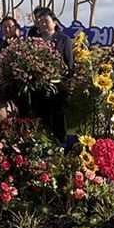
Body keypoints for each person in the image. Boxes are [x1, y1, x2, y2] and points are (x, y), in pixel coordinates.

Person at [34, 10, 74, 143]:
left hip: (58, 86)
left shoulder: (63, 39)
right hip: (40, 86)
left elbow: (69, 63)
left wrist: (64, 81)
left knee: (58, 116)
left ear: (54, 22)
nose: (43, 24)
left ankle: (60, 143)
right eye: (41, 22)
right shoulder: (36, 40)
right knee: (42, 116)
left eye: (46, 21)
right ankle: (44, 144)